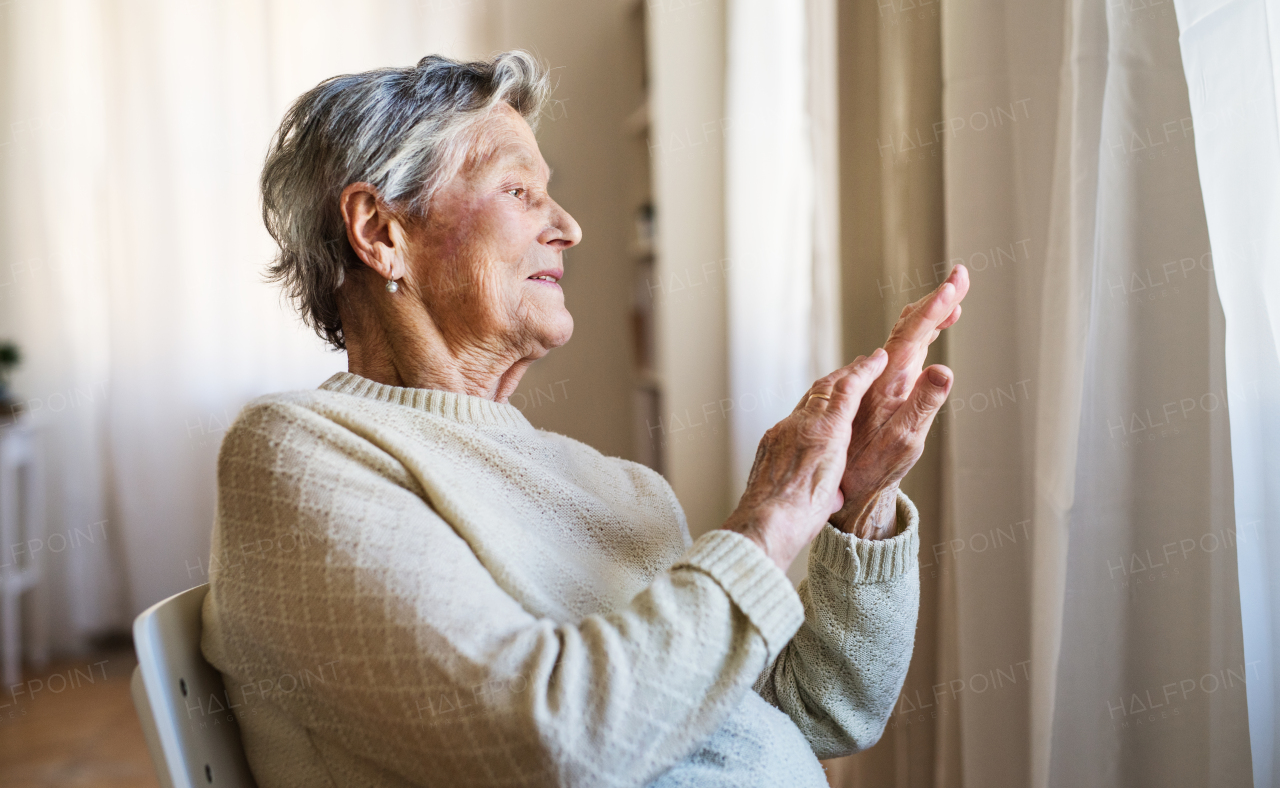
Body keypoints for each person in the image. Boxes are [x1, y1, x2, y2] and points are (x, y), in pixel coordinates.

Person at [201, 51, 969, 788]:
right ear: (379, 231)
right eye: (519, 192)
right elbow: (549, 742)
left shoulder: (617, 487)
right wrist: (768, 522)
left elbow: (816, 712)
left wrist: (853, 500)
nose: (568, 226)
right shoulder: (299, 453)